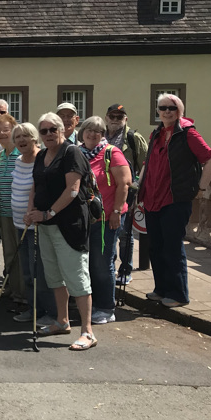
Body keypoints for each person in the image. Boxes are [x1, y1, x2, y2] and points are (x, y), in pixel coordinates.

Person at [24, 112, 95, 351]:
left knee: (76, 275)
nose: (48, 135)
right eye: (43, 131)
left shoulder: (71, 152)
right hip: (45, 226)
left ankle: (87, 332)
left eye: (52, 129)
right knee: (54, 275)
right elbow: (36, 184)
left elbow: (72, 189)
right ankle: (62, 321)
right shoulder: (41, 154)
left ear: (62, 130)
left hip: (69, 224)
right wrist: (31, 210)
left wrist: (48, 213)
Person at [138, 93, 211, 308]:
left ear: (179, 111)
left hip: (175, 199)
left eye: (171, 108)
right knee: (155, 246)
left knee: (172, 247)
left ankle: (179, 293)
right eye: (162, 108)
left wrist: (201, 187)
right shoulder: (156, 134)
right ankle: (161, 289)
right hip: (153, 198)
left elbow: (209, 159)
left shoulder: (188, 134)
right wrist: (139, 189)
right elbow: (148, 163)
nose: (166, 111)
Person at [79, 116, 132, 324]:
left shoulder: (111, 152)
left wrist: (117, 212)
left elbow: (124, 184)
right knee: (88, 263)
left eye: (98, 131)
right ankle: (90, 305)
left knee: (102, 264)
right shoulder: (78, 152)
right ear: (82, 132)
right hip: (85, 219)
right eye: (89, 130)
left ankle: (106, 307)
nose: (93, 134)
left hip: (106, 218)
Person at [9, 123, 57, 324]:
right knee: (27, 272)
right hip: (20, 224)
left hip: (38, 225)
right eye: (18, 136)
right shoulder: (18, 160)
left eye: (26, 136)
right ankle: (33, 309)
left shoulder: (43, 159)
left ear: (34, 138)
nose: (21, 140)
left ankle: (50, 313)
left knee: (40, 272)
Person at [105, 103, 148, 285]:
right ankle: (110, 268)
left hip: (127, 192)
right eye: (112, 117)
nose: (116, 120)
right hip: (106, 193)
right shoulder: (100, 135)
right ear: (106, 118)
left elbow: (145, 166)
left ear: (126, 119)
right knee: (108, 233)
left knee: (125, 234)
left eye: (120, 117)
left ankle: (125, 269)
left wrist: (137, 190)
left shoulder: (133, 138)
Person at [0, 113, 24, 304]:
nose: (2, 133)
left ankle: (23, 294)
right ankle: (12, 287)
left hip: (20, 214)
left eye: (6, 129)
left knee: (22, 255)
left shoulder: (21, 154)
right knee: (9, 254)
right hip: (4, 213)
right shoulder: (0, 156)